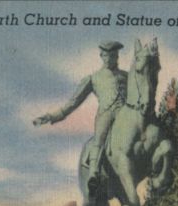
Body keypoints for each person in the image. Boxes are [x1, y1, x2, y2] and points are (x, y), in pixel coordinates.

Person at [33, 41, 128, 194]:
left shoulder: (127, 76)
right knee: (100, 138)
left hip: (126, 115)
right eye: (108, 55)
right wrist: (51, 116)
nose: (111, 58)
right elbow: (73, 103)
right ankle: (93, 174)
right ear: (101, 56)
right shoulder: (93, 78)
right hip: (106, 113)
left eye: (114, 55)